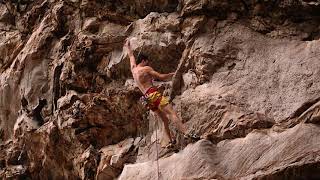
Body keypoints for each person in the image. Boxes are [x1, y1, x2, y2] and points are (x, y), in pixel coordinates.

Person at [124, 39, 199, 148]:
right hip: (153, 93)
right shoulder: (146, 68)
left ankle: (170, 142)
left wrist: (128, 47)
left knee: (164, 119)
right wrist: (173, 74)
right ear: (144, 61)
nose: (148, 63)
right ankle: (187, 133)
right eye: (147, 61)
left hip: (146, 98)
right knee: (172, 113)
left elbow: (131, 56)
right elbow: (160, 76)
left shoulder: (133, 70)